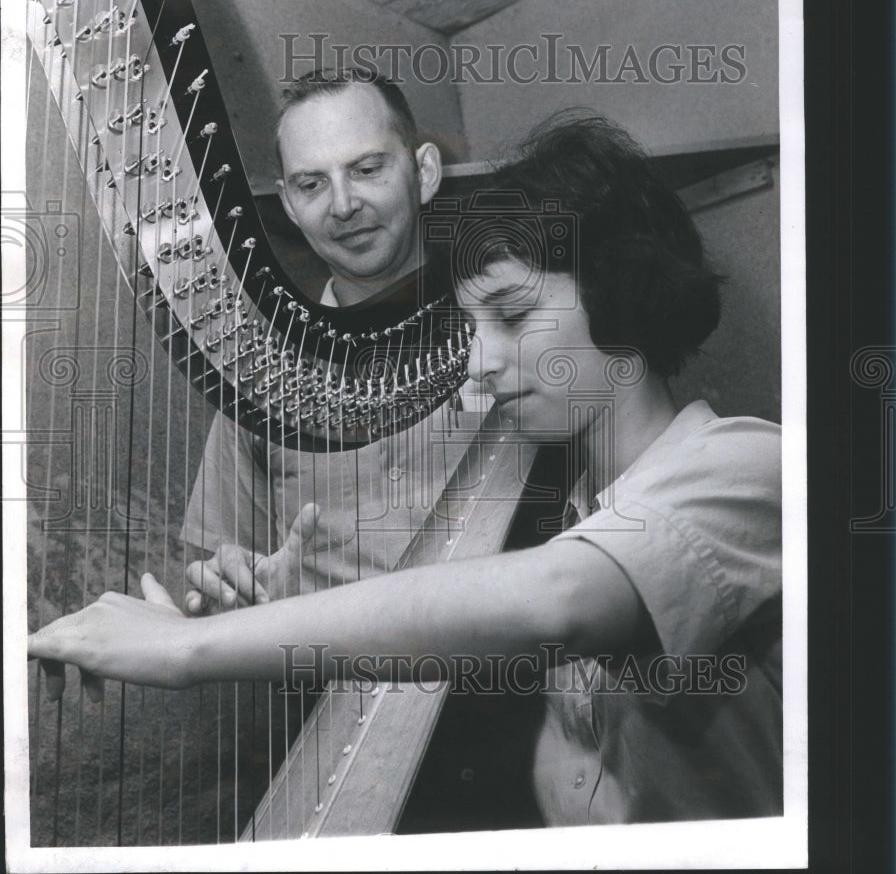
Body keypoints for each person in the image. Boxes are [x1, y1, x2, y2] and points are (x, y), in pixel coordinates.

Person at [29, 112, 783, 826]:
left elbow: (554, 601)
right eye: (471, 327)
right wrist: (286, 613)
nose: (479, 365)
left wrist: (182, 649)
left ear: (625, 294)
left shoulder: (750, 466)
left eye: (513, 318)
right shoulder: (579, 505)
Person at [181, 67, 483, 609]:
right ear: (291, 206)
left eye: (367, 169)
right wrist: (231, 586)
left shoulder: (510, 332)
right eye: (312, 184)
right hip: (335, 692)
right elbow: (227, 570)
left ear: (426, 172)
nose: (343, 205)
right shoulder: (259, 374)